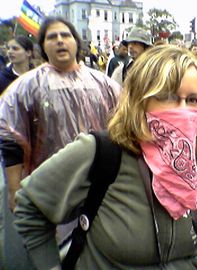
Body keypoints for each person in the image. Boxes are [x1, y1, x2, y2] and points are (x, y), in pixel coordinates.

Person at [14, 45, 197, 269]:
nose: (181, 110)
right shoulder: (100, 153)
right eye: (167, 96)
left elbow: (196, 230)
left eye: (192, 100)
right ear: (140, 100)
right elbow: (30, 205)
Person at [0, 17, 120, 269]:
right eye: (51, 37)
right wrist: (14, 190)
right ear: (42, 46)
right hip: (50, 184)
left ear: (76, 42)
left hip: (99, 183)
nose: (59, 41)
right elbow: (11, 141)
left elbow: (121, 129)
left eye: (65, 35)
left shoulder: (105, 85)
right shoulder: (26, 87)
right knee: (55, 249)